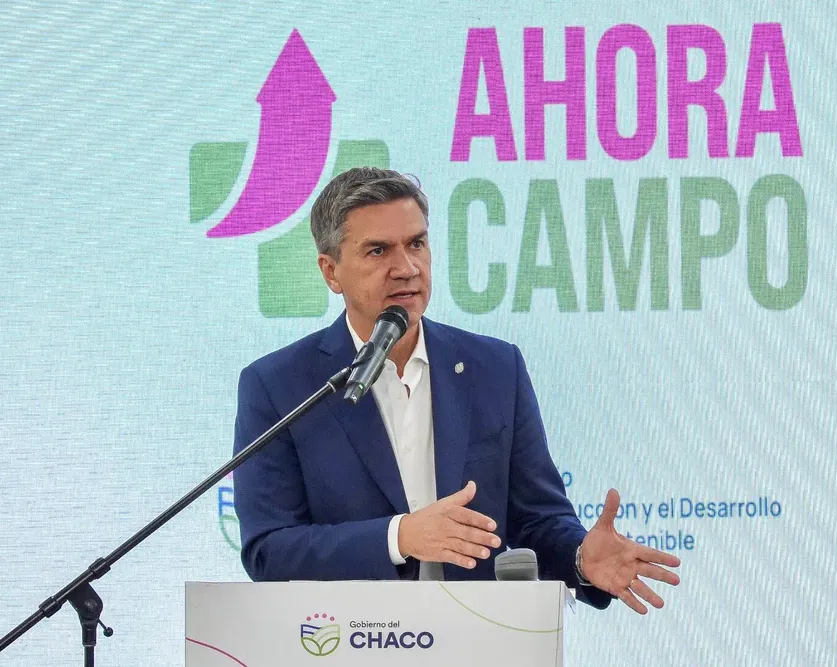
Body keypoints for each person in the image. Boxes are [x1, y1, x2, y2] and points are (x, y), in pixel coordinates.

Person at [232, 168, 680, 613]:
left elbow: (537, 520)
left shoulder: (496, 368)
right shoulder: (279, 386)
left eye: (417, 244)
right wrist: (399, 537)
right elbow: (269, 550)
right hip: (349, 639)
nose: (407, 268)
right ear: (331, 272)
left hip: (479, 638)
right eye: (378, 250)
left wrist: (580, 557)